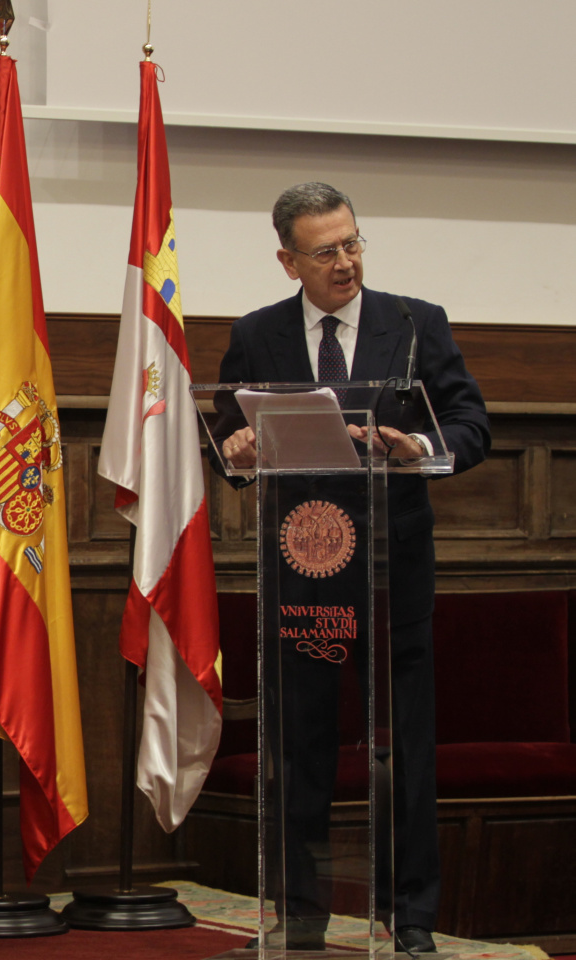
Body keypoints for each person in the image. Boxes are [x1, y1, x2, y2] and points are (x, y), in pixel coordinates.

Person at [216, 182, 489, 954]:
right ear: (287, 260)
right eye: (327, 251)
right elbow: (231, 437)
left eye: (354, 243)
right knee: (298, 743)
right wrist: (232, 451)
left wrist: (424, 449)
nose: (346, 262)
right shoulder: (257, 334)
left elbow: (472, 422)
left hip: (391, 566)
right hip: (301, 567)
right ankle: (300, 913)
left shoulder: (414, 322)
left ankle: (411, 921)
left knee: (403, 746)